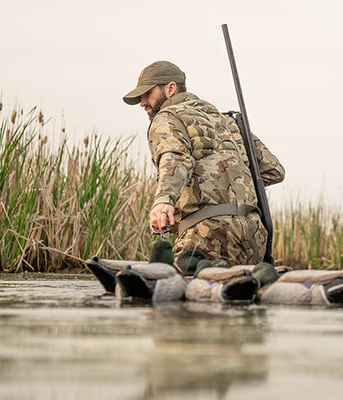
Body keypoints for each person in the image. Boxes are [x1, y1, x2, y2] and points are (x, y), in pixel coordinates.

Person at [122, 60, 284, 269]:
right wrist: (228, 180)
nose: (143, 102)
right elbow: (274, 170)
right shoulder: (228, 122)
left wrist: (164, 201)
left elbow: (176, 158)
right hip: (254, 236)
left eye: (147, 93)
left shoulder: (167, 117)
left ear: (170, 89)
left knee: (190, 296)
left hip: (205, 235)